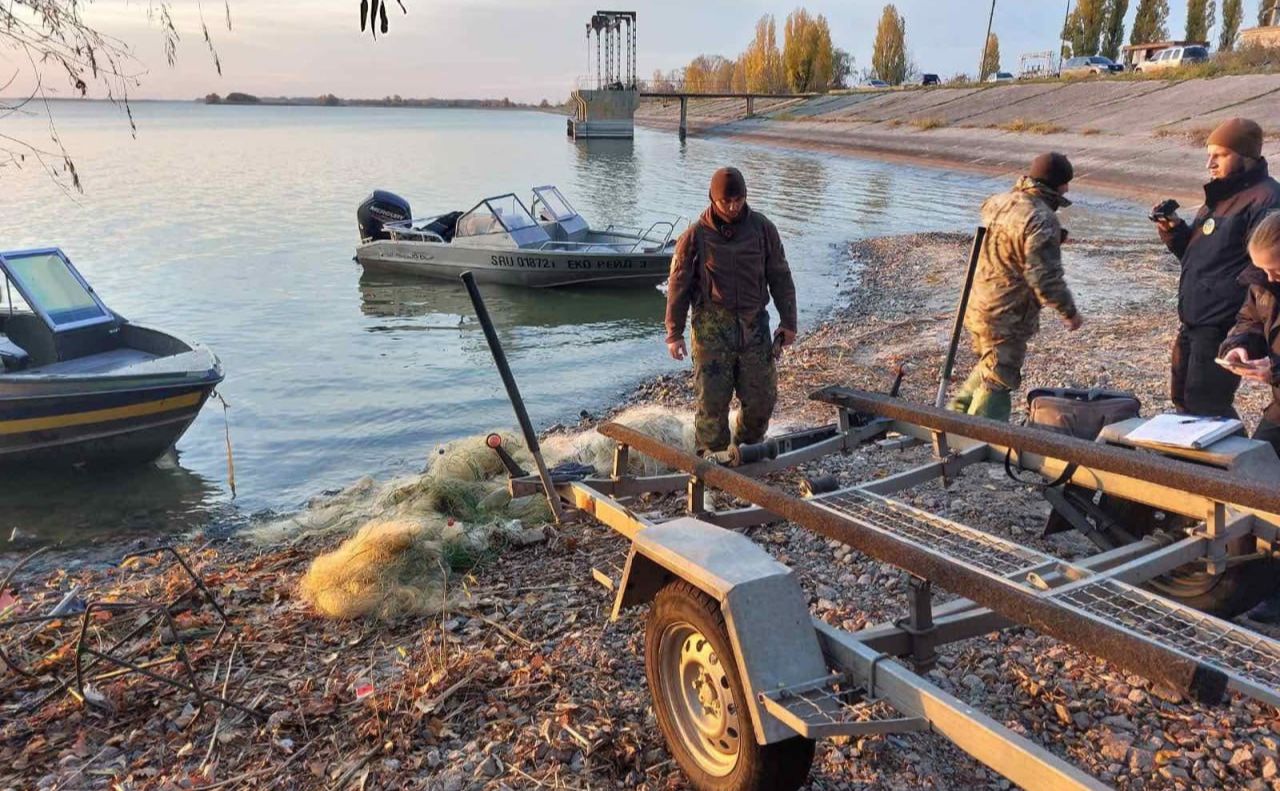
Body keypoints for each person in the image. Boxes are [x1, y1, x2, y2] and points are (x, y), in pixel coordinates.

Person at [665, 167, 797, 454]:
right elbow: (678, 287)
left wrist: (789, 321)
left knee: (762, 399)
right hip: (711, 330)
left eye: (738, 199)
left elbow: (780, 275)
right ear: (713, 199)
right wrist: (673, 334)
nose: (733, 206)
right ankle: (714, 461)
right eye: (726, 201)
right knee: (712, 404)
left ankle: (747, 449)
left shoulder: (763, 229)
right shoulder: (694, 237)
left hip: (754, 326)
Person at [1155, 117, 1280, 418]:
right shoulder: (1219, 197)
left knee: (1207, 404)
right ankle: (1185, 463)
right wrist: (1174, 230)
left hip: (1224, 320)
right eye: (1209, 154)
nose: (1210, 163)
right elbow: (1198, 256)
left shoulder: (1266, 199)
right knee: (1183, 398)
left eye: (1220, 155)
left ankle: (1222, 464)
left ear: (1246, 156)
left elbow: (1266, 270)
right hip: (1195, 315)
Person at [948, 152, 1084, 421]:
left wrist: (1053, 237)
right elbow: (1044, 278)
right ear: (1056, 184)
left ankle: (956, 414)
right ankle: (979, 436)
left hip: (977, 303)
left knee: (991, 362)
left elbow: (1009, 231)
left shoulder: (998, 202)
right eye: (1065, 183)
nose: (1067, 188)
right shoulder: (1042, 218)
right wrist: (1069, 312)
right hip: (1006, 311)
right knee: (1001, 374)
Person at [1219, 212, 1280, 624]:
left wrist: (1274, 370)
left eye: (1277, 266)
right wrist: (1239, 347)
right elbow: (1249, 320)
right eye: (1265, 269)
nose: (1271, 277)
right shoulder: (1263, 281)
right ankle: (1260, 585)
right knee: (1255, 473)